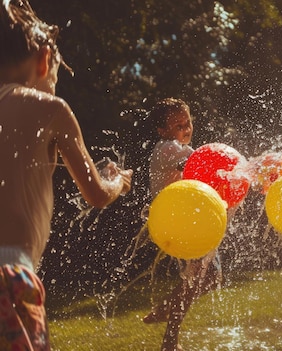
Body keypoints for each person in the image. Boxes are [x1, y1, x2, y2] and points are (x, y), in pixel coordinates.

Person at [0, 1, 133, 349]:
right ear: (45, 59)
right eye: (55, 78)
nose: (54, 86)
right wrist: (118, 180)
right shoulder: (51, 108)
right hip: (9, 274)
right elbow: (97, 194)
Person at [141, 98, 222, 351]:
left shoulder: (169, 147)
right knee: (202, 277)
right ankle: (168, 332)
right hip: (182, 223)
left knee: (205, 277)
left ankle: (168, 326)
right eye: (178, 125)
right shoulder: (169, 148)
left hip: (180, 222)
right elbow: (201, 167)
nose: (186, 128)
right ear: (163, 131)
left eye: (187, 122)